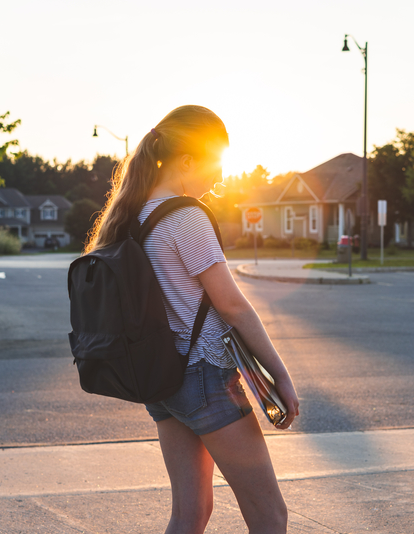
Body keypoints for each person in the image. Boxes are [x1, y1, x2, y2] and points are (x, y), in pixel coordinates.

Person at [84, 105, 300, 534]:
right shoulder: (185, 217)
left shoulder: (133, 215)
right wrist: (280, 375)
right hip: (204, 378)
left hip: (161, 382)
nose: (220, 178)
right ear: (186, 161)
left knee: (191, 512)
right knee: (270, 516)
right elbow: (233, 306)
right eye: (214, 165)